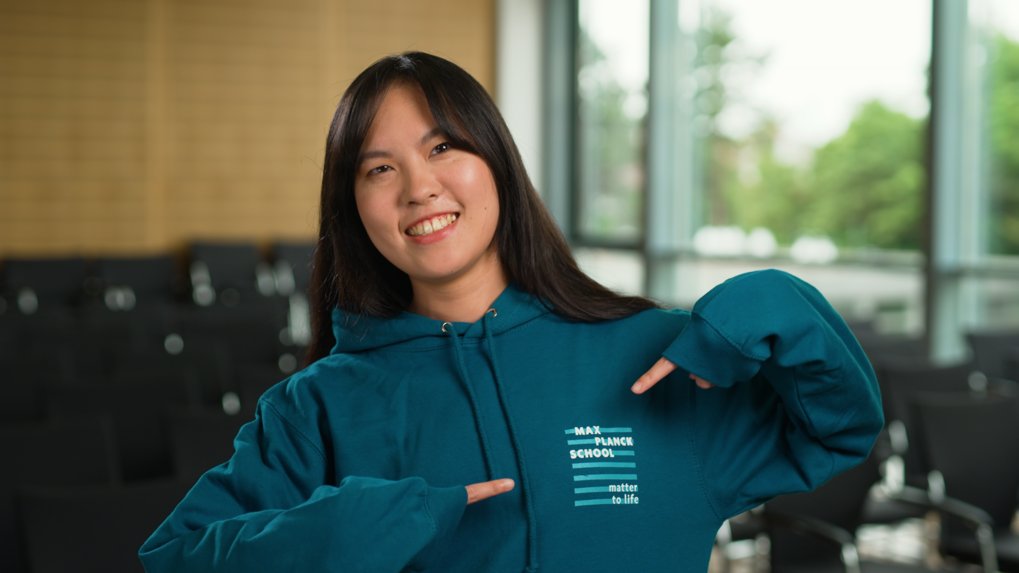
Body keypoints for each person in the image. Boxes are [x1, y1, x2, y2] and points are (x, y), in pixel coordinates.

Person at [139, 51, 883, 572]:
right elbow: (176, 557)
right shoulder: (319, 406)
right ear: (353, 210)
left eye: (442, 148)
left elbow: (840, 428)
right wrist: (363, 525)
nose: (418, 188)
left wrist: (781, 301)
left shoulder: (657, 357)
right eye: (379, 168)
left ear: (496, 160)